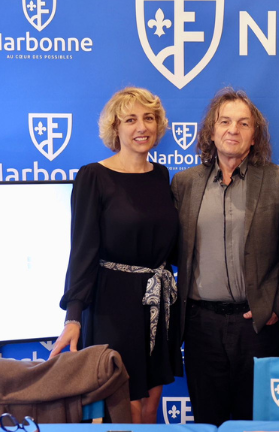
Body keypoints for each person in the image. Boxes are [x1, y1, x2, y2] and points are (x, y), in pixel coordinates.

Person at [50, 87, 181, 424]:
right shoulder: (93, 176)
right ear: (115, 128)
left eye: (149, 118)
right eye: (131, 119)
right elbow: (82, 251)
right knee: (127, 409)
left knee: (151, 407)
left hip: (157, 302)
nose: (142, 127)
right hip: (113, 305)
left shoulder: (162, 175)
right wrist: (74, 315)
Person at [171, 87, 279, 426]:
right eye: (224, 121)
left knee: (255, 421)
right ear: (210, 132)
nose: (233, 130)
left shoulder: (278, 180)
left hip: (256, 325)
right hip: (200, 326)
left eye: (243, 124)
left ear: (255, 136)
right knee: (207, 420)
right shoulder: (185, 183)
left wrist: (275, 307)